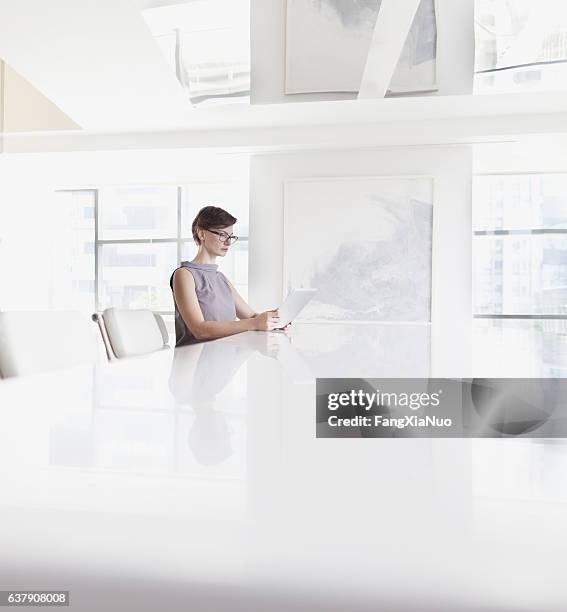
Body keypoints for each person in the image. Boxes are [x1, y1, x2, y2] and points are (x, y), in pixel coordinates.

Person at [170, 205, 286, 347]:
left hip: (223, 358)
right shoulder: (184, 275)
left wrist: (277, 319)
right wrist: (255, 323)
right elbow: (199, 330)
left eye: (230, 236)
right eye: (222, 235)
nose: (228, 242)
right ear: (201, 234)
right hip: (196, 361)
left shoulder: (221, 278)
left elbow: (252, 316)